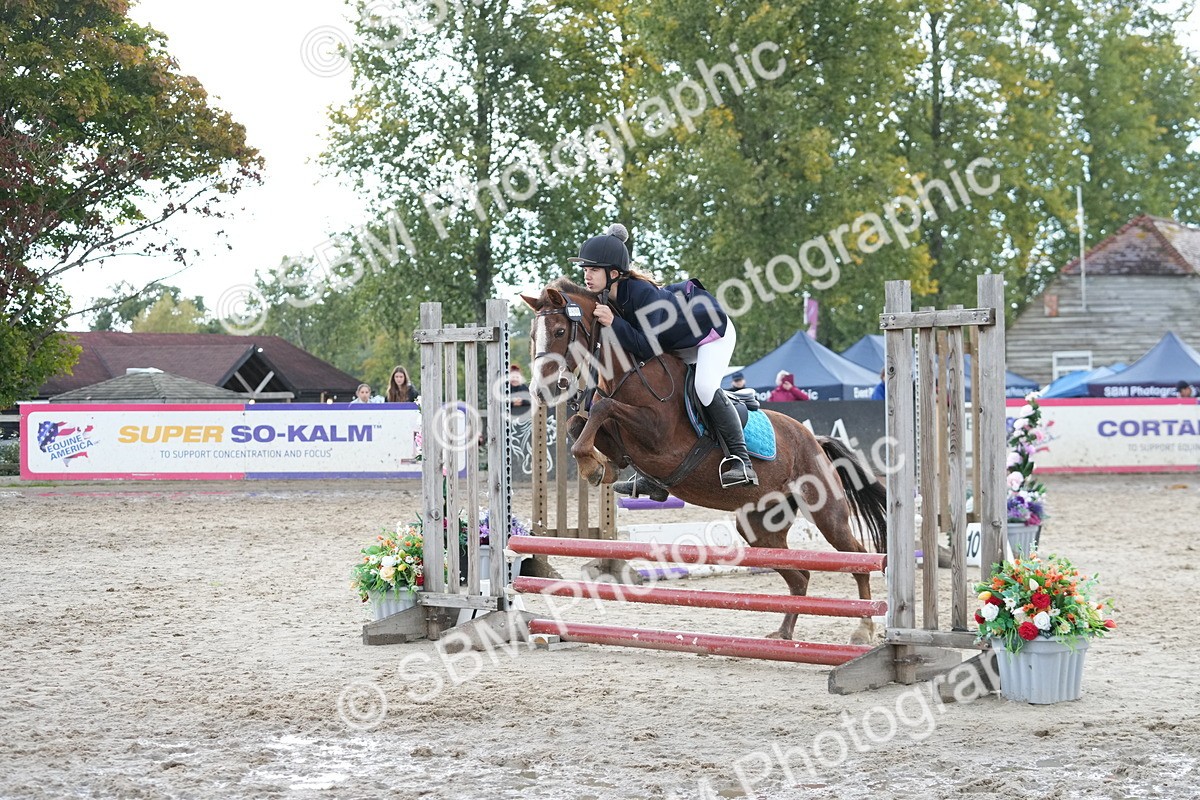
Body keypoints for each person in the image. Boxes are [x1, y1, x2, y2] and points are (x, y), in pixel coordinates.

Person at [572, 223, 757, 490]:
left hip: (709, 333)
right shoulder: (605, 297)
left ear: (613, 273)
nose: (587, 276)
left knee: (704, 388)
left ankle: (740, 460)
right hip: (672, 341)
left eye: (593, 270)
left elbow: (646, 347)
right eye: (585, 270)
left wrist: (614, 321)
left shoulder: (642, 294)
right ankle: (653, 477)